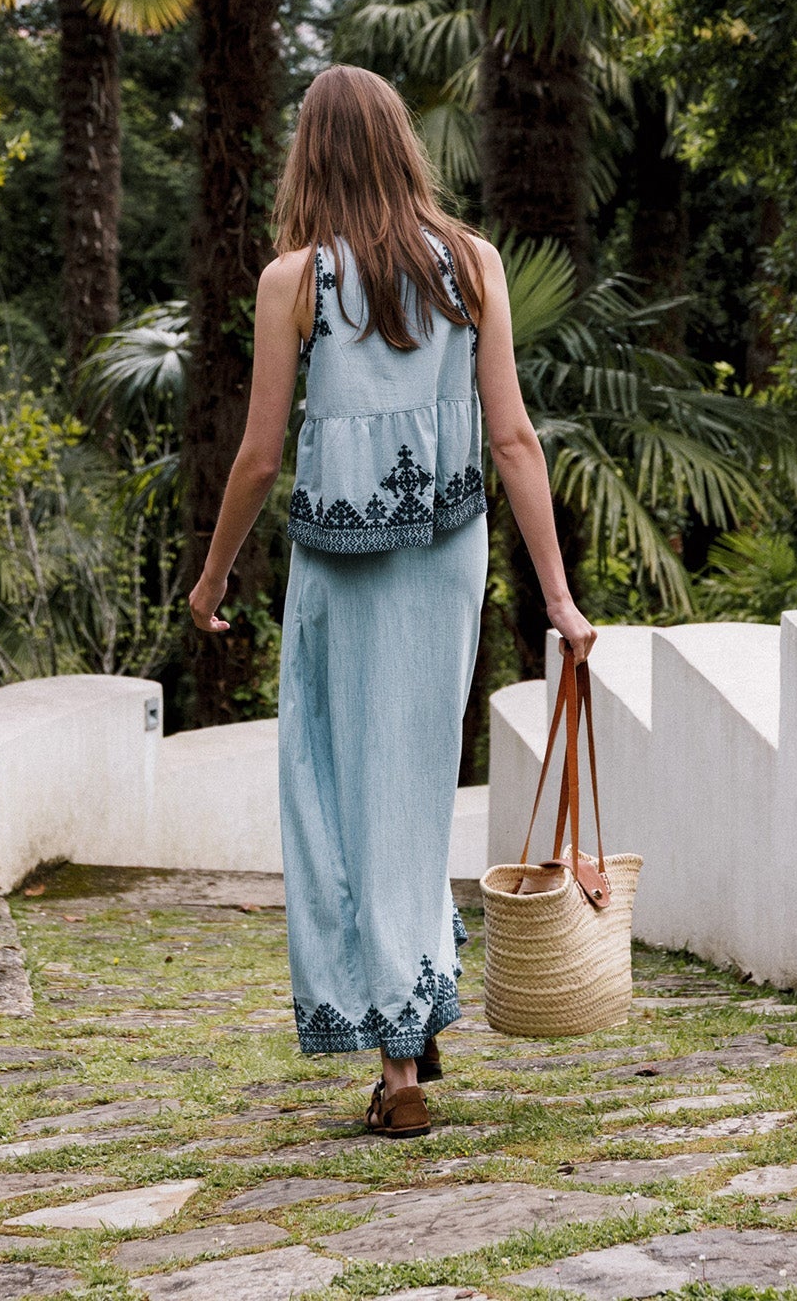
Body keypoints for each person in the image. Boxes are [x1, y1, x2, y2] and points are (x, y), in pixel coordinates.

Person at [188, 65, 596, 1139]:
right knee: (412, 791)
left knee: (335, 791)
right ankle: (414, 1008)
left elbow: (259, 456)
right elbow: (514, 438)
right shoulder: (472, 264)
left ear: (309, 157)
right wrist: (558, 598)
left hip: (340, 568)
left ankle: (399, 1060)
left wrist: (213, 575)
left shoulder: (294, 280)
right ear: (402, 147)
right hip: (445, 560)